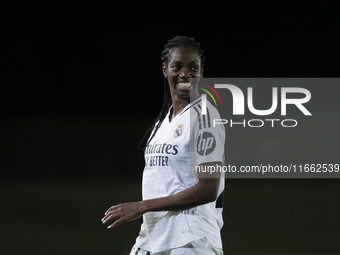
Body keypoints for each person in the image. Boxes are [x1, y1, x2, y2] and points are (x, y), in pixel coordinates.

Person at [102, 35, 225, 255]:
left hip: (190, 242)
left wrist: (142, 206)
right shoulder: (163, 122)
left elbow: (208, 189)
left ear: (201, 71)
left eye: (193, 67)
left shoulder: (205, 116)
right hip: (152, 241)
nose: (185, 74)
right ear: (165, 70)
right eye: (177, 66)